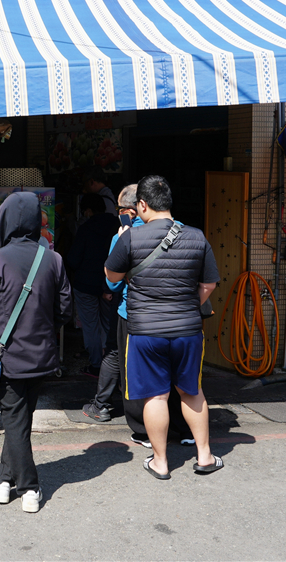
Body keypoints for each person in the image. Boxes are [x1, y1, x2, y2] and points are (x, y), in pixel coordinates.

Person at [104, 175, 224, 480]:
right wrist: (189, 304)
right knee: (192, 392)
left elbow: (112, 277)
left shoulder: (130, 237)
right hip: (187, 330)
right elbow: (209, 283)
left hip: (145, 331)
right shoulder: (197, 236)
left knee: (155, 396)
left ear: (142, 205)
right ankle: (206, 456)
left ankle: (160, 462)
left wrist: (121, 241)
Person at [0, 192, 73, 513]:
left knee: (15, 420)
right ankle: (2, 482)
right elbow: (65, 310)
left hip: (6, 357)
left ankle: (29, 487)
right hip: (42, 355)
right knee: (19, 420)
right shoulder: (52, 259)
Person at [82, 185, 193, 446]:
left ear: (136, 209)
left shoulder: (126, 237)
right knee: (177, 374)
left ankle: (144, 430)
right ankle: (185, 430)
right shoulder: (188, 233)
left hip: (135, 315)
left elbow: (112, 283)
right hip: (181, 316)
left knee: (139, 374)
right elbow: (205, 282)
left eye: (121, 210)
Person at [65, 193, 121, 376]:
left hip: (86, 284)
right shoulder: (118, 226)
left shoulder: (85, 228)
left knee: (90, 326)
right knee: (108, 324)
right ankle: (111, 366)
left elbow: (73, 259)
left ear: (88, 210)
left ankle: (96, 365)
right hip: (110, 283)